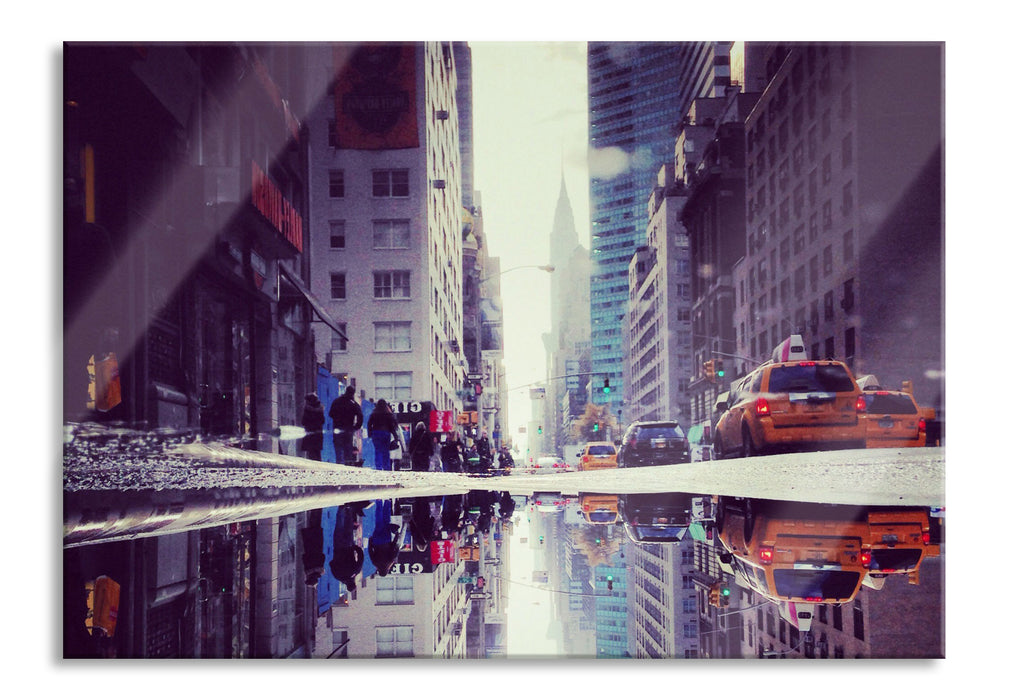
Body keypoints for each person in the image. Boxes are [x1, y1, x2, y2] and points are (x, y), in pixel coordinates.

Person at [329, 503, 367, 593]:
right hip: (338, 548)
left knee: (348, 527)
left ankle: (349, 509)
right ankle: (341, 509)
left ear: (354, 583)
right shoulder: (338, 576)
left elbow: (361, 558)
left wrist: (355, 548)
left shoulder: (355, 571)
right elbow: (331, 564)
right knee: (339, 527)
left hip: (349, 546)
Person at [329, 386, 363, 465]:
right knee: (348, 446)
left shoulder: (337, 401)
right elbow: (360, 415)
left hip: (337, 427)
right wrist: (356, 426)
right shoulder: (353, 403)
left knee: (338, 446)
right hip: (349, 428)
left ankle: (339, 463)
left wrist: (337, 418)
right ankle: (347, 463)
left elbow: (331, 413)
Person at [367, 500, 401, 577]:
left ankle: (387, 502)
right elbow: (370, 551)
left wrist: (396, 536)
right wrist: (370, 541)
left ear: (387, 570)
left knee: (386, 521)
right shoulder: (375, 563)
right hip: (376, 541)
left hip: (386, 540)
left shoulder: (390, 561)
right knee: (378, 522)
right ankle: (379, 503)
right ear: (379, 571)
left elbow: (395, 548)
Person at [367, 399, 399, 471]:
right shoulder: (388, 414)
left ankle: (378, 467)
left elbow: (369, 424)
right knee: (385, 451)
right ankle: (386, 467)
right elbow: (392, 426)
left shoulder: (374, 413)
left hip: (376, 433)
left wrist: (370, 434)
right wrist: (396, 436)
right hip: (386, 433)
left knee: (378, 450)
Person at [300, 393, 325, 461]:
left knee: (311, 452)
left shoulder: (307, 410)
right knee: (317, 452)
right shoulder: (320, 409)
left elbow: (303, 421)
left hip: (310, 432)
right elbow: (323, 421)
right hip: (318, 433)